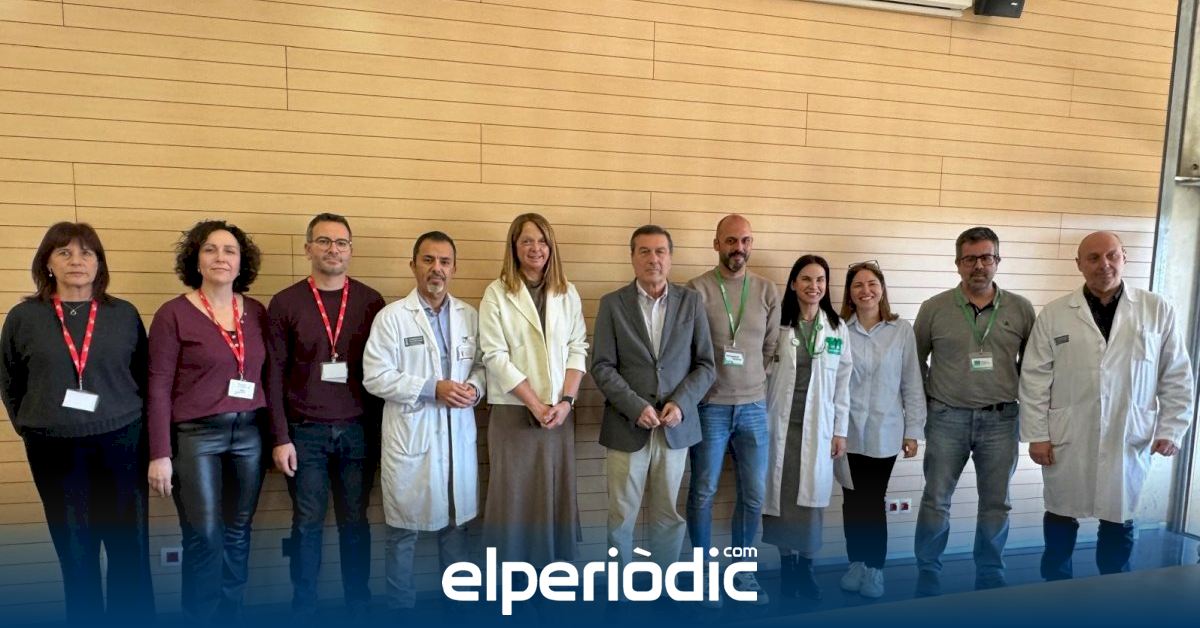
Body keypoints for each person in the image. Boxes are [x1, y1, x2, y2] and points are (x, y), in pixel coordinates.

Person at [0, 222, 155, 624]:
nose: (76, 261)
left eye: (87, 253)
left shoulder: (123, 314)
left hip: (122, 443)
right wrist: (31, 425)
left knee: (129, 551)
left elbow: (144, 375)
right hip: (54, 450)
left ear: (99, 263)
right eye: (64, 252)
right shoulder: (23, 317)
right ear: (47, 263)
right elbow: (10, 380)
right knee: (76, 552)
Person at [1019, 231, 1194, 580]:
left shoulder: (1156, 309)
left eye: (1112, 255)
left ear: (1124, 257)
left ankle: (1115, 592)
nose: (1104, 264)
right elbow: (1034, 378)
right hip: (1068, 434)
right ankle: (1055, 589)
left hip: (1127, 433)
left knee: (1119, 516)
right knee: (1060, 514)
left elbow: (1176, 374)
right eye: (1094, 257)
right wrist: (1037, 435)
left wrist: (1171, 428)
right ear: (1079, 265)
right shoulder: (1055, 314)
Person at [146, 220, 269, 624]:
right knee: (204, 537)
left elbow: (270, 377)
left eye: (230, 251)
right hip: (196, 438)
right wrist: (160, 454)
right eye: (210, 249)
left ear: (241, 263)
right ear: (196, 260)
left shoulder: (256, 312)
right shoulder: (173, 314)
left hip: (249, 434)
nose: (221, 257)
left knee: (238, 533)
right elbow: (158, 387)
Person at [265, 213, 385, 619]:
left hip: (358, 431)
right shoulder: (285, 303)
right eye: (324, 241)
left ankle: (358, 602)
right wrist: (280, 437)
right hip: (305, 433)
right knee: (307, 523)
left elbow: (382, 372)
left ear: (351, 250)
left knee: (355, 522)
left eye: (341, 242)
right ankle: (305, 606)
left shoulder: (371, 302)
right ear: (308, 249)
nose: (333, 249)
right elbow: (273, 375)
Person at [363, 231, 484, 612]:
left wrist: (475, 388)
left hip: (456, 437)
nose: (437, 269)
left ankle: (458, 608)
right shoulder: (392, 318)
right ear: (413, 265)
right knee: (403, 532)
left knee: (456, 527)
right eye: (428, 260)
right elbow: (374, 376)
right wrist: (432, 388)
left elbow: (483, 365)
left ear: (454, 268)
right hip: (411, 440)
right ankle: (401, 610)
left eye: (444, 262)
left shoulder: (469, 316)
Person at [912, 226, 1036, 595]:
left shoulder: (1021, 309)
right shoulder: (934, 308)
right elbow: (914, 363)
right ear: (958, 263)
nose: (979, 266)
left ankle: (990, 573)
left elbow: (1034, 366)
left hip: (1001, 420)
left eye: (986, 257)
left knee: (997, 504)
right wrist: (929, 404)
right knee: (936, 500)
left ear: (998, 260)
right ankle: (928, 572)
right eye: (970, 259)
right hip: (946, 418)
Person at [590, 225, 715, 575]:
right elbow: (601, 366)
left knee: (668, 515)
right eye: (644, 251)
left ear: (670, 258)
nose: (653, 259)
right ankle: (619, 589)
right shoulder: (612, 304)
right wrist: (635, 407)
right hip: (626, 426)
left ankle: (665, 585)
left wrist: (682, 404)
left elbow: (706, 365)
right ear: (632, 257)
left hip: (675, 427)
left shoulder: (691, 302)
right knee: (621, 516)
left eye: (660, 251)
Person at [478, 213, 588, 566]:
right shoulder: (496, 293)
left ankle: (553, 575)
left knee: (554, 496)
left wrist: (566, 402)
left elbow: (578, 348)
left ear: (551, 247)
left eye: (542, 241)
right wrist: (535, 405)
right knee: (513, 497)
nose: (535, 248)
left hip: (559, 414)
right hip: (514, 412)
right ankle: (511, 579)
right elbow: (494, 356)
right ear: (514, 247)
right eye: (526, 240)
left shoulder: (567, 292)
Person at [686, 214, 780, 606]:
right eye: (730, 241)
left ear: (751, 244)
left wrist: (750, 380)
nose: (737, 248)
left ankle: (742, 571)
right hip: (710, 406)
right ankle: (703, 573)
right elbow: (688, 349)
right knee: (703, 492)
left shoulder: (766, 290)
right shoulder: (696, 290)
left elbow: (770, 347)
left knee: (754, 495)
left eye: (744, 241)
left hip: (754, 407)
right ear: (716, 244)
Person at [762, 255, 852, 601]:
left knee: (811, 503)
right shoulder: (779, 324)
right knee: (782, 500)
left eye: (820, 280)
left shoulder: (837, 328)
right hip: (780, 425)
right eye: (806, 279)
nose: (813, 286)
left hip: (819, 428)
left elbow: (843, 382)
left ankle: (806, 568)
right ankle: (787, 566)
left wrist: (840, 430)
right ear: (793, 283)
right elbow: (763, 372)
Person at [837, 261, 925, 599]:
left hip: (885, 432)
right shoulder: (839, 329)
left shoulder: (900, 330)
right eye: (858, 285)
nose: (866, 291)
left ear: (882, 289)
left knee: (872, 500)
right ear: (850, 293)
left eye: (872, 283)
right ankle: (856, 563)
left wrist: (913, 430)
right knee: (851, 501)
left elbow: (912, 382)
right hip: (845, 432)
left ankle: (874, 569)